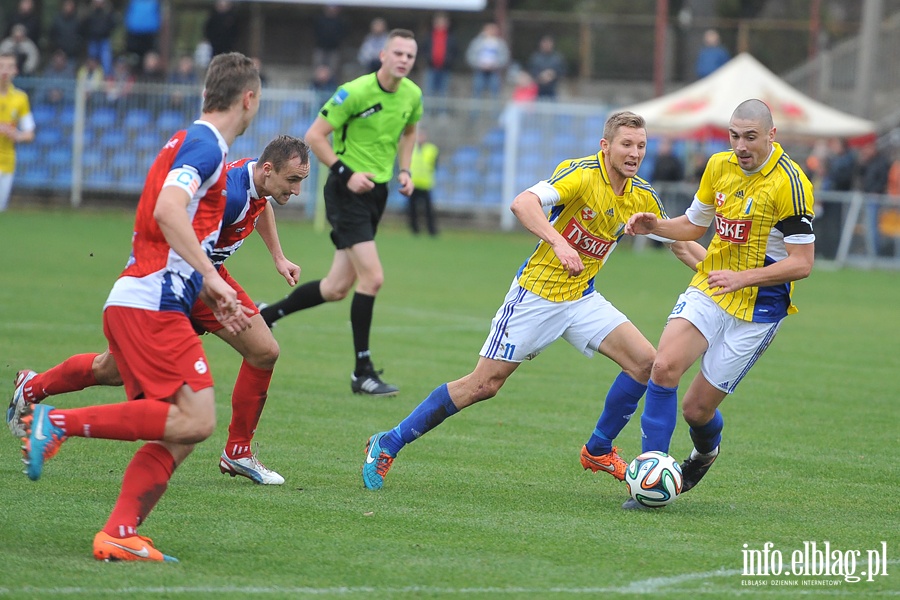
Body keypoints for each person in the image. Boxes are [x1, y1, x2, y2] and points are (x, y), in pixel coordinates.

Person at [360, 111, 706, 491]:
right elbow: (522, 203)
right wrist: (559, 243)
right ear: (605, 146)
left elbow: (680, 242)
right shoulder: (581, 174)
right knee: (483, 385)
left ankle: (598, 449)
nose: (634, 153)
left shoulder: (641, 194)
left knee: (645, 363)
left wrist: (726, 278)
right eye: (626, 144)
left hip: (582, 297)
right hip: (536, 295)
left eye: (641, 145)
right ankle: (387, 442)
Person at [16, 52, 261, 562]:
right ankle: (56, 423)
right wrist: (214, 279)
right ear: (249, 99)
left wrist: (208, 283)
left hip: (145, 298)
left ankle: (119, 532)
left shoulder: (188, 140)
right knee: (195, 420)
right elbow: (168, 209)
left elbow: (174, 217)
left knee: (180, 426)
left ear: (205, 94)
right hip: (153, 301)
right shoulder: (207, 145)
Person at [9, 135, 310, 486]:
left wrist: (277, 256)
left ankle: (237, 452)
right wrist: (218, 298)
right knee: (127, 378)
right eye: (293, 180)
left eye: (301, 180)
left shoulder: (255, 179)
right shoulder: (230, 195)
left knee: (260, 352)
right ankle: (41, 399)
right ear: (269, 170)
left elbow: (261, 208)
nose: (298, 190)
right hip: (181, 283)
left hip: (206, 278)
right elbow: (184, 252)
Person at [623, 99, 815, 509]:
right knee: (664, 366)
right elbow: (694, 224)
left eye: (750, 137)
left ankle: (705, 453)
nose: (741, 145)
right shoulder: (718, 166)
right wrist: (655, 226)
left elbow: (802, 264)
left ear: (771, 136)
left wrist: (742, 278)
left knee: (696, 410)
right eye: (734, 135)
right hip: (711, 288)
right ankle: (650, 474)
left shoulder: (791, 183)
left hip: (759, 310)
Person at [259, 29, 422, 397]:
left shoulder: (412, 95)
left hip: (375, 193)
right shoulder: (355, 91)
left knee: (335, 288)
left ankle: (267, 315)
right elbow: (315, 135)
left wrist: (406, 169)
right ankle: (361, 372)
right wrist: (346, 174)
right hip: (345, 191)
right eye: (397, 53)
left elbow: (410, 131)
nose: (403, 60)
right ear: (382, 54)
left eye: (410, 56)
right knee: (373, 278)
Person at [0, 52, 34, 212]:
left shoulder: (20, 98)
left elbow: (29, 133)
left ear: (16, 71)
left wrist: (17, 135)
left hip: (7, 162)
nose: (4, 71)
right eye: (1, 66)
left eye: (9, 67)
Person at [407, 127, 439, 236]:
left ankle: (432, 230)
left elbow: (435, 165)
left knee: (428, 210)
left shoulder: (431, 149)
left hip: (425, 184)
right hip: (413, 183)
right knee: (412, 209)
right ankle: (414, 229)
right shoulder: (412, 148)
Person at [466, 22, 510, 99]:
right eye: (489, 29)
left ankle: (495, 111)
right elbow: (470, 55)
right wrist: (479, 64)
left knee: (495, 94)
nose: (491, 31)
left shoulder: (500, 43)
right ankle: (475, 111)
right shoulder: (477, 42)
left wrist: (495, 65)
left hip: (494, 71)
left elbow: (505, 57)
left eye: (493, 30)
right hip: (479, 70)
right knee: (476, 93)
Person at [419, 11, 457, 97]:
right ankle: (427, 110)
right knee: (428, 91)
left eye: (443, 22)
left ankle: (441, 111)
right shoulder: (428, 36)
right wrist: (428, 59)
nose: (441, 24)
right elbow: (423, 49)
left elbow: (454, 51)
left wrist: (449, 61)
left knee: (443, 92)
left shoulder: (451, 37)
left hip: (445, 68)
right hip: (431, 67)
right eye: (439, 22)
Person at [80, 0, 117, 76]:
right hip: (93, 40)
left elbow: (113, 24)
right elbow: (84, 26)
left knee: (106, 62)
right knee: (92, 61)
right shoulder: (90, 13)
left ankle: (107, 79)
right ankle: (92, 78)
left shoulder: (108, 13)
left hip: (104, 40)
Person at [312, 4, 346, 81]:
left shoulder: (340, 21)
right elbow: (316, 31)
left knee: (333, 70)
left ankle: (332, 86)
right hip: (320, 47)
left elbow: (343, 33)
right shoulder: (320, 19)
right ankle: (316, 87)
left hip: (334, 49)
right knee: (318, 69)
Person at [527, 34, 565, 100]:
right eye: (545, 43)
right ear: (541, 44)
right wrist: (541, 76)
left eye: (549, 43)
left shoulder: (557, 58)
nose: (547, 45)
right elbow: (531, 72)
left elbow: (562, 71)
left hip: (552, 89)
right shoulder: (535, 58)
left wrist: (552, 75)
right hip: (537, 89)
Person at [124, 0, 161, 66]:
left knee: (148, 56)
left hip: (150, 32)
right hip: (134, 31)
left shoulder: (154, 2)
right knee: (134, 56)